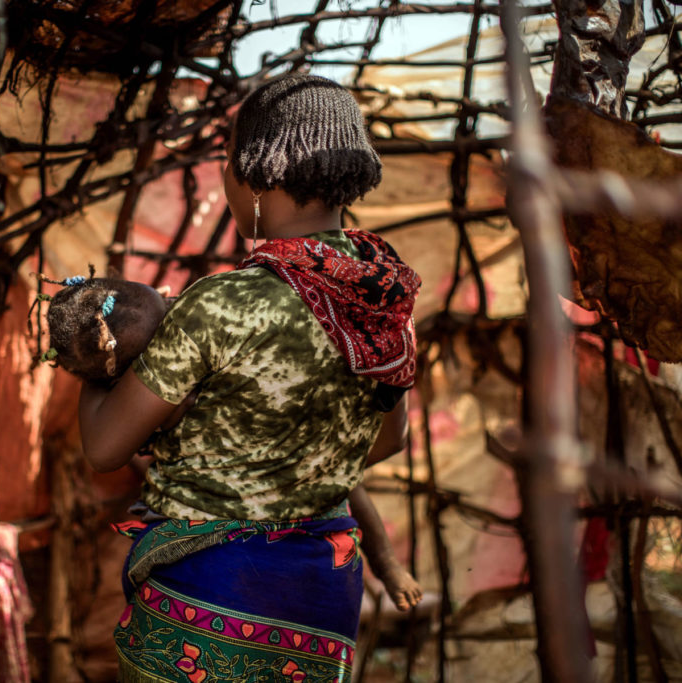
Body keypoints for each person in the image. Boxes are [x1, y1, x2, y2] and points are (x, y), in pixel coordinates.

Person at [73, 73, 423, 683]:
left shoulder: (222, 304)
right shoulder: (384, 298)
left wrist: (92, 354)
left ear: (254, 173)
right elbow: (388, 441)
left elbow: (105, 448)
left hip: (212, 595)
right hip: (321, 598)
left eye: (229, 162)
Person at [46, 275, 423, 608]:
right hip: (236, 492)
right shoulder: (148, 373)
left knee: (344, 481)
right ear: (130, 372)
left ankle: (386, 560)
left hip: (282, 454)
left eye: (172, 309)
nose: (174, 328)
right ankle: (385, 561)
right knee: (344, 483)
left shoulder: (192, 317)